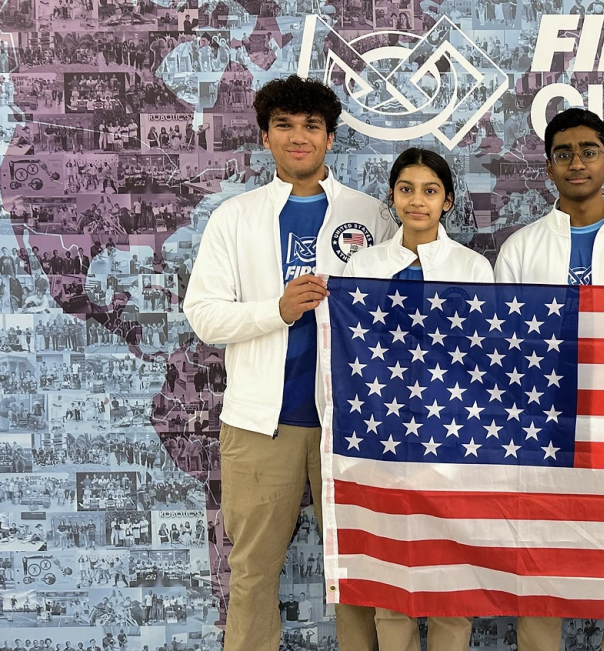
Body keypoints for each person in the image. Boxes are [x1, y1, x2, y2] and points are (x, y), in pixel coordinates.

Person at [182, 75, 395, 651]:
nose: (298, 137)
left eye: (311, 127)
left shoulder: (373, 214)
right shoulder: (236, 217)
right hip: (258, 426)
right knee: (251, 573)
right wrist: (275, 311)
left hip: (351, 424)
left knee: (358, 572)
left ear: (330, 138)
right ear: (265, 136)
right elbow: (203, 315)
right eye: (284, 125)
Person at [494, 107, 604, 650]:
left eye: (588, 151)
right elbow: (505, 352)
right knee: (539, 571)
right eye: (564, 153)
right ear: (548, 167)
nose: (577, 162)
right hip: (542, 431)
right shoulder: (520, 248)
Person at [335, 147, 490, 650]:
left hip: (450, 438)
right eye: (406, 189)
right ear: (392, 196)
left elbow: (482, 353)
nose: (417, 201)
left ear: (447, 201)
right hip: (384, 437)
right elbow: (352, 344)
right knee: (392, 577)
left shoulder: (472, 267)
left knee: (450, 579)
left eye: (430, 190)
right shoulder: (366, 263)